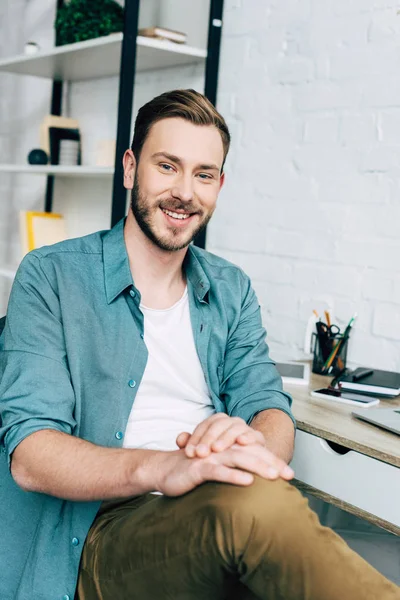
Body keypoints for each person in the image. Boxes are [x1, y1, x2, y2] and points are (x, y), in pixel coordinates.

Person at [0, 89, 398, 600]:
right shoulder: (51, 277)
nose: (185, 192)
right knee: (260, 513)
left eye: (204, 174)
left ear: (219, 185)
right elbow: (32, 455)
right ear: (130, 168)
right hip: (93, 535)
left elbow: (268, 406)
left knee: (263, 508)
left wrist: (251, 449)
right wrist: (169, 466)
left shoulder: (230, 289)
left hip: (212, 510)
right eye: (168, 166)